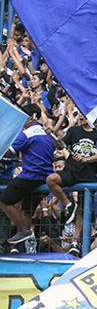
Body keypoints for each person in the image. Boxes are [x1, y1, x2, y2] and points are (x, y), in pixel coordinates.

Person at [0, 105, 55, 245]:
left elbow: (8, 152)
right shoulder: (46, 135)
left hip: (31, 176)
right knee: (27, 210)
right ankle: (27, 242)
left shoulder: (27, 134)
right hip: (44, 178)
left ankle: (24, 231)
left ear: (31, 118)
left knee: (4, 200)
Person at [46, 112, 97, 225]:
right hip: (71, 171)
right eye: (79, 114)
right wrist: (51, 135)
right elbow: (60, 145)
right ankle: (68, 204)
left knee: (82, 210)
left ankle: (75, 241)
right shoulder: (73, 130)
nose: (80, 117)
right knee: (51, 179)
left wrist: (85, 160)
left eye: (84, 114)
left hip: (89, 176)